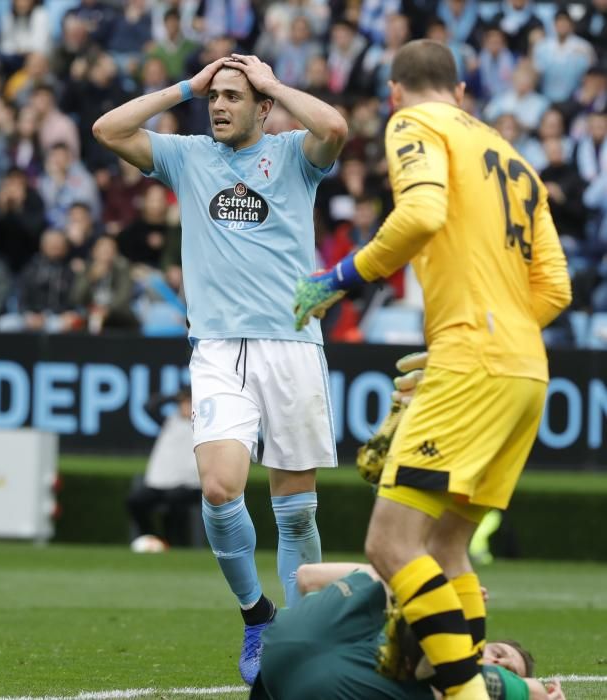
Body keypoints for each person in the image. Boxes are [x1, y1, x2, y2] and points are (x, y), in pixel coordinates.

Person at [293, 39, 571, 699]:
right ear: (464, 91)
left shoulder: (413, 123)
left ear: (393, 93)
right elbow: (555, 290)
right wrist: (500, 330)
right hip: (526, 369)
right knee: (447, 549)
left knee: (390, 546)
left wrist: (339, 277)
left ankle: (469, 695)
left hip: (472, 356)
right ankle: (466, 684)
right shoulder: (514, 157)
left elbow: (420, 213)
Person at [92, 52, 348, 684]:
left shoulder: (293, 153)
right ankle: (257, 614)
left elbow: (337, 128)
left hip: (292, 346)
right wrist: (185, 86)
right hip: (217, 348)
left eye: (235, 96)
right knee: (218, 487)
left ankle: (301, 637)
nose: (221, 106)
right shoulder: (189, 156)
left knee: (296, 512)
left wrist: (273, 83)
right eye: (216, 97)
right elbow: (107, 130)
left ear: (263, 106)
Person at [250, 562, 566, 700]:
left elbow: (307, 578)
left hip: (279, 648)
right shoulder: (454, 673)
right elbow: (536, 693)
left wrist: (426, 586)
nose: (500, 665)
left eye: (509, 669)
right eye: (498, 654)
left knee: (399, 578)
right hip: (316, 679)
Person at [126, 389, 201, 547]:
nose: (186, 407)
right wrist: (175, 396)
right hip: (160, 483)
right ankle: (151, 538)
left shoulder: (203, 425)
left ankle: (173, 542)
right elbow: (149, 406)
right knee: (135, 501)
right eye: (184, 403)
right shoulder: (170, 422)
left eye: (190, 403)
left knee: (175, 501)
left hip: (189, 485)